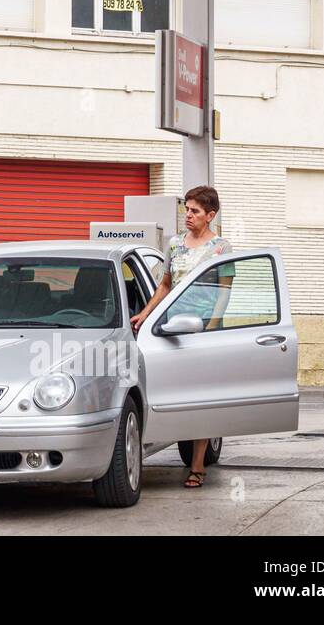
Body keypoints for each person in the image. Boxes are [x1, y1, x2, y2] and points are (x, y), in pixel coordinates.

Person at [130, 185, 235, 488]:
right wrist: (147, 314)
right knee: (173, 393)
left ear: (210, 215)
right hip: (170, 330)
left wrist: (213, 326)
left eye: (195, 211)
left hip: (203, 331)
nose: (188, 215)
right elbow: (164, 285)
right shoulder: (175, 244)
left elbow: (224, 291)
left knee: (200, 397)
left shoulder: (221, 248)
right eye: (186, 209)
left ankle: (198, 464)